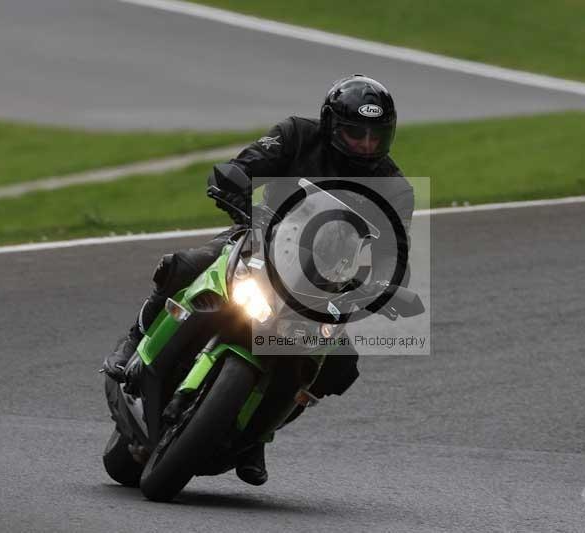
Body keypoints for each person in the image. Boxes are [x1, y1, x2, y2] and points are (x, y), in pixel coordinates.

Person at [102, 74, 414, 485]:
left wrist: (386, 286)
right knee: (184, 264)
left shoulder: (394, 188)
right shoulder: (296, 135)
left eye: (376, 136)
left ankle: (257, 435)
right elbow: (242, 167)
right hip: (260, 243)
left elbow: (396, 255)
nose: (366, 145)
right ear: (330, 124)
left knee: (339, 367)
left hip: (322, 287)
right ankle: (133, 340)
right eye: (355, 133)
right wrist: (232, 185)